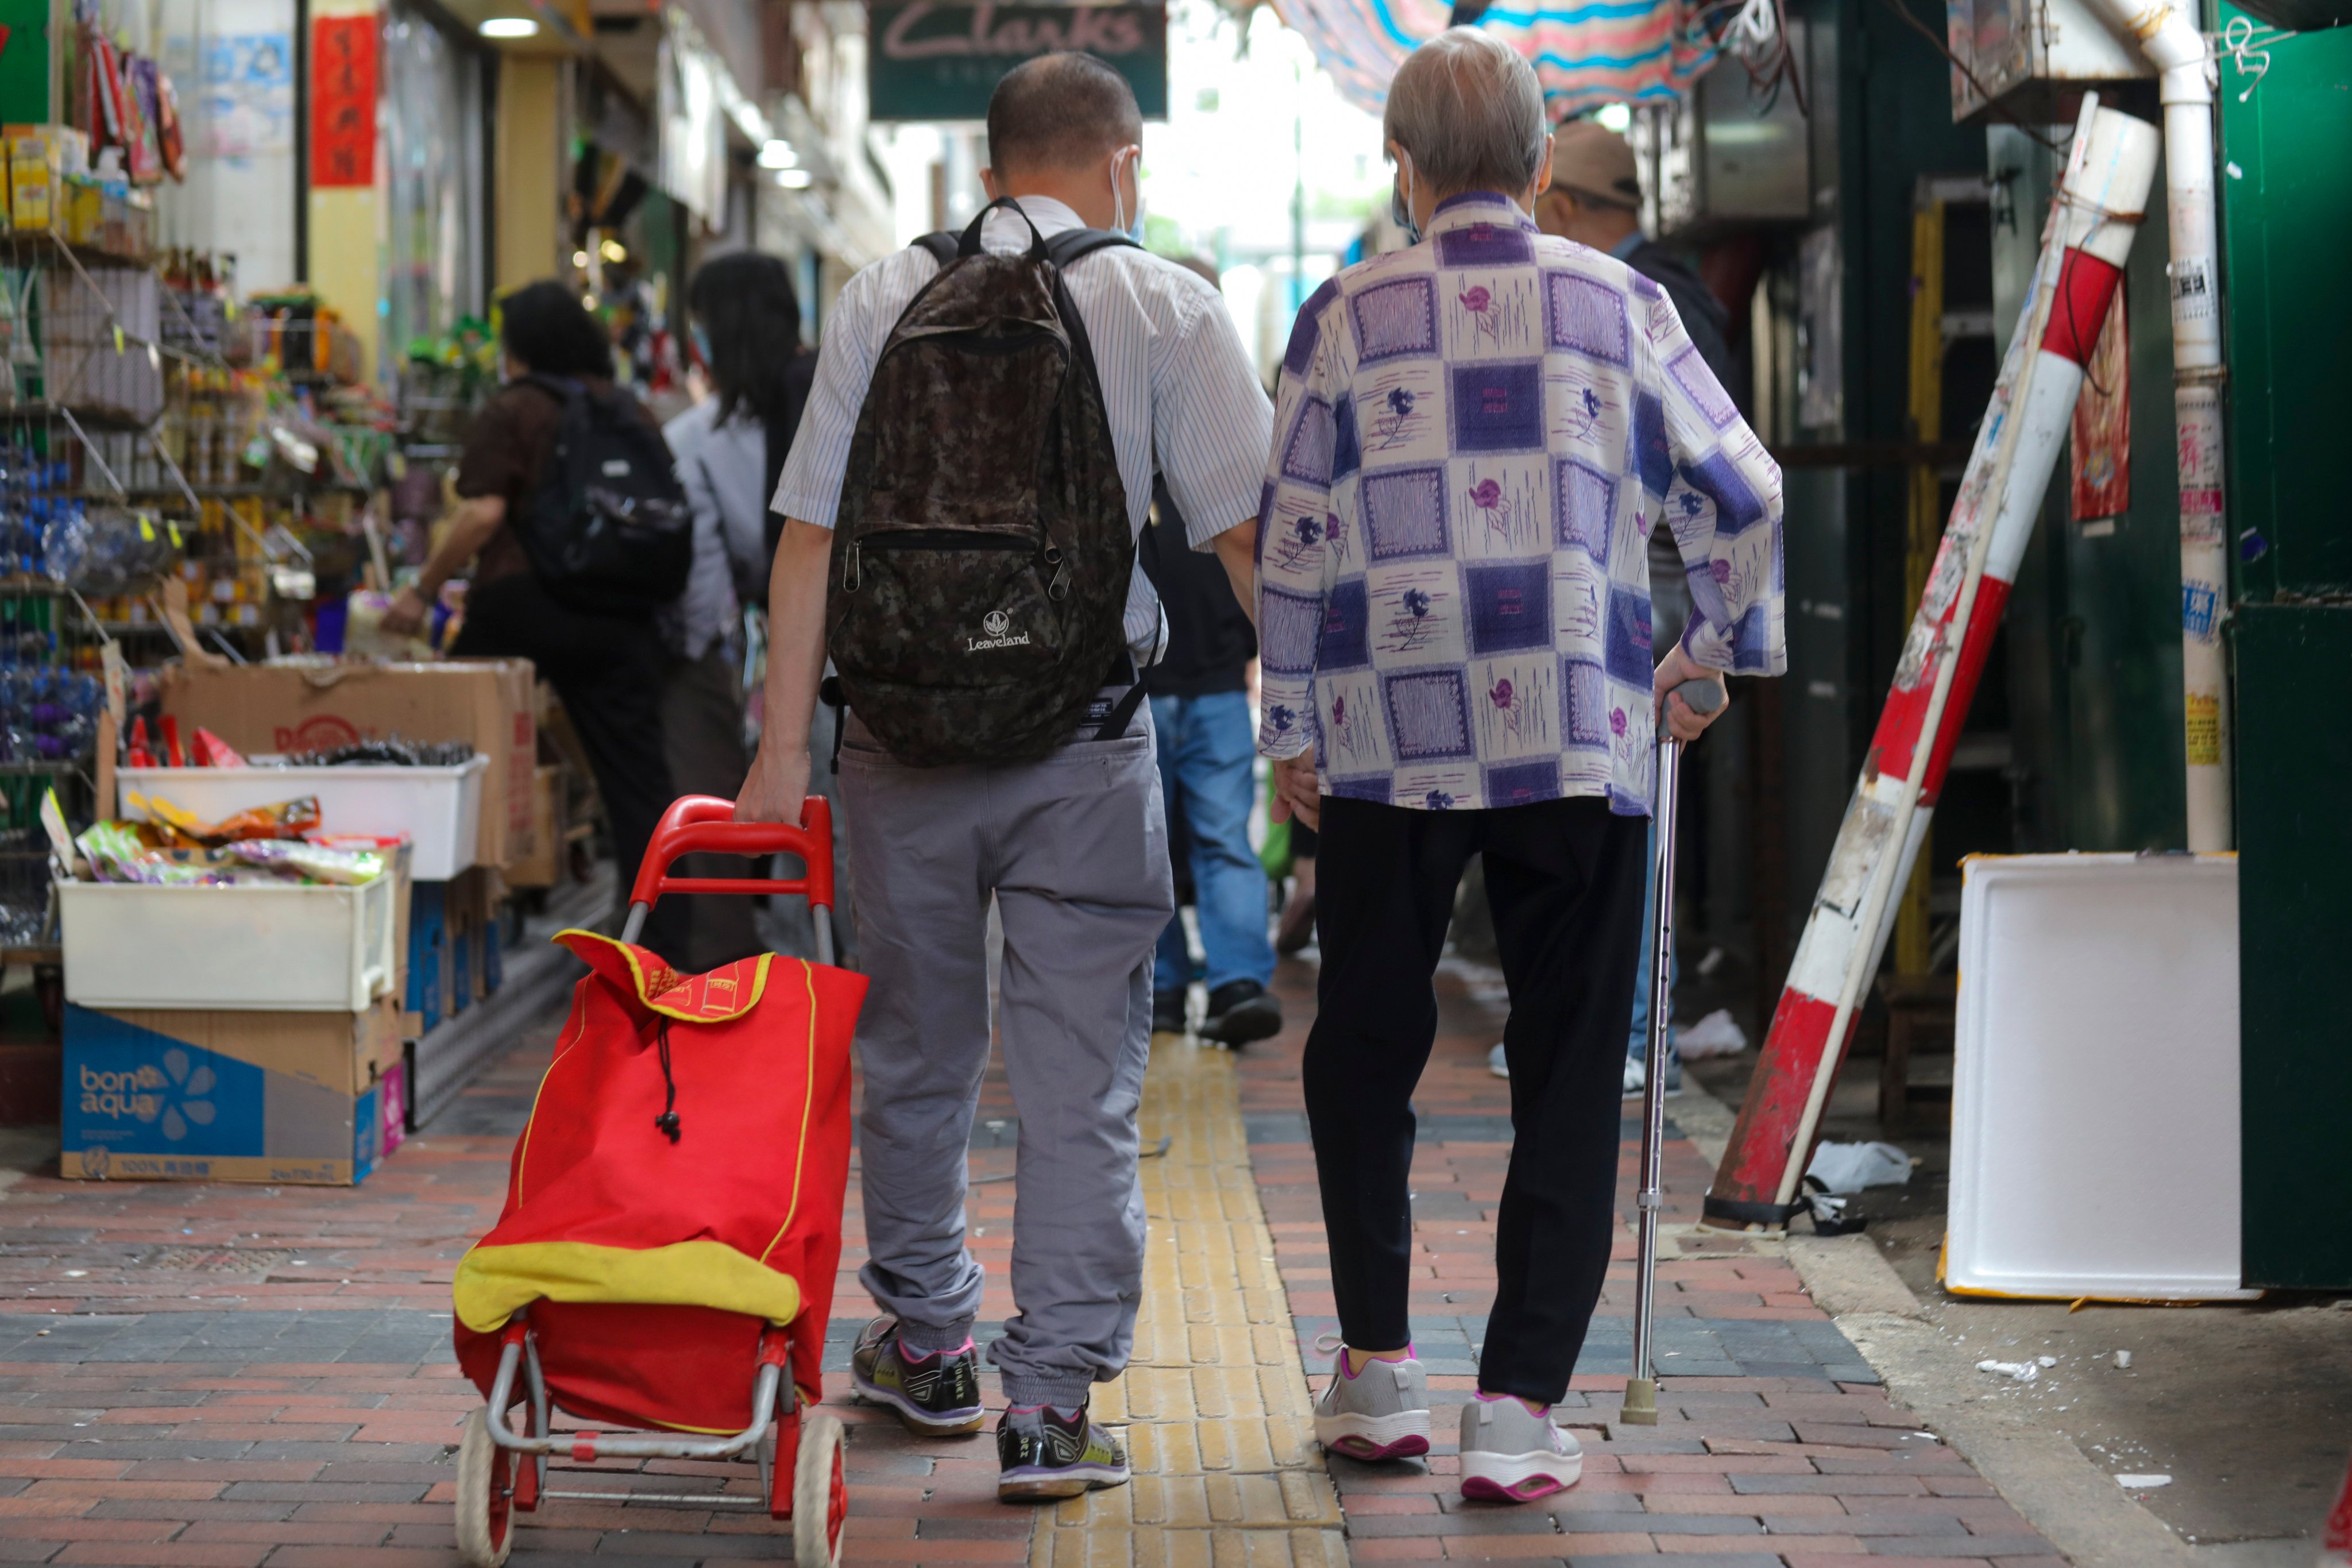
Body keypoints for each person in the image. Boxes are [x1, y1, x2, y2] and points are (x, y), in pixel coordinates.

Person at [733, 52, 1272, 1503]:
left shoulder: (878, 292)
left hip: (896, 743)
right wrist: (1322, 729)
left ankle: (928, 1345)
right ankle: (1047, 1408)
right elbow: (1249, 543)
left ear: (986, 172)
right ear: (1126, 164)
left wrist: (783, 754)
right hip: (1085, 747)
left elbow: (807, 537)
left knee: (912, 1059)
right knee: (1078, 1082)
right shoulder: (1165, 304)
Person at [1256, 30, 1784, 1503]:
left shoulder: (1344, 313)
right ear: (1546, 163)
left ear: (1399, 163)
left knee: (1363, 1043)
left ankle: (1373, 1371)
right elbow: (1746, 489)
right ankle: (1517, 1403)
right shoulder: (1622, 303)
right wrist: (1708, 653)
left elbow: (1293, 533)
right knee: (1566, 1065)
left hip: (1388, 738)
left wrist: (1288, 729)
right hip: (1579, 730)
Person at [1523, 118, 1744, 1095]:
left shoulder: (1638, 300)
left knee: (1624, 809)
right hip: (1644, 585)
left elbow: (1729, 477)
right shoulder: (1668, 288)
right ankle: (1622, 1028)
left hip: (1644, 585)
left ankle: (1632, 1032)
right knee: (1622, 806)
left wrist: (1710, 637)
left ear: (1564, 207)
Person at [384, 281, 688, 961]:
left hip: (524, 603)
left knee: (452, 744)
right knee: (638, 783)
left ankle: (454, 920)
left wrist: (422, 590)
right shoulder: (628, 409)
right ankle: (662, 943)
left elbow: (484, 513)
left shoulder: (513, 407)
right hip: (621, 612)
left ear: (518, 347)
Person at [657, 253, 817, 972]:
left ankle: (790, 986)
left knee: (788, 823)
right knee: (850, 830)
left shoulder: (695, 440)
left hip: (783, 651)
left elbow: (704, 596)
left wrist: (720, 686)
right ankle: (855, 978)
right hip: (870, 654)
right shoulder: (841, 406)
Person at [1142, 262, 1281, 1046]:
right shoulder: (1239, 432)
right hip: (1208, 683)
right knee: (1216, 837)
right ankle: (1222, 982)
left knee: (1157, 845)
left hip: (1183, 683)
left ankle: (1197, 983)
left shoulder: (1123, 423)